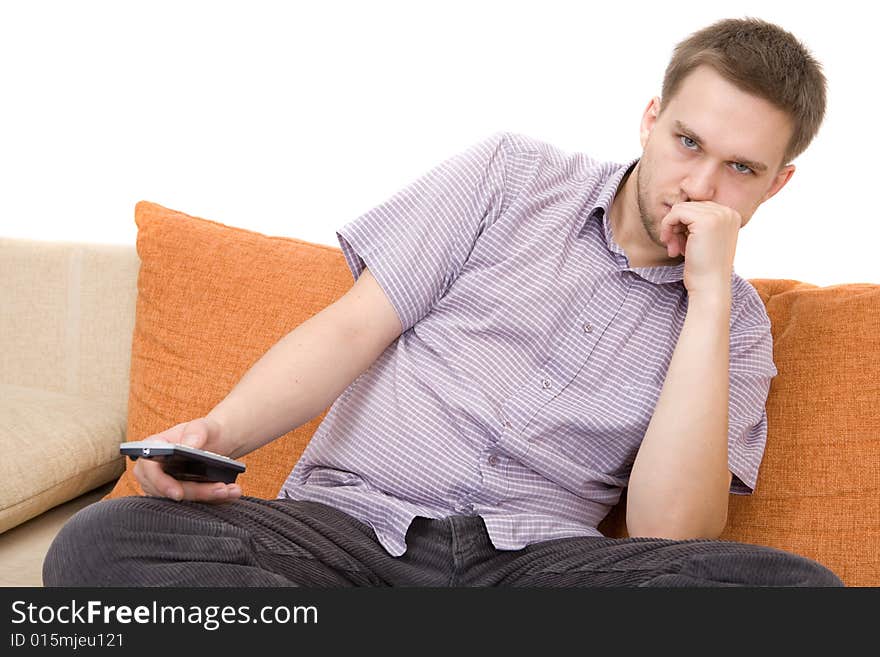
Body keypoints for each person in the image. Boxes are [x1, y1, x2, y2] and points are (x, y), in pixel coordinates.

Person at [44, 17, 843, 587]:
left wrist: (705, 299)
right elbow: (355, 326)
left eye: (741, 169)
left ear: (779, 183)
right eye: (688, 143)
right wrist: (217, 431)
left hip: (530, 567)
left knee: (793, 596)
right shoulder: (509, 176)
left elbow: (668, 534)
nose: (698, 186)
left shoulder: (733, 328)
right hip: (348, 535)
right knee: (100, 546)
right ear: (650, 120)